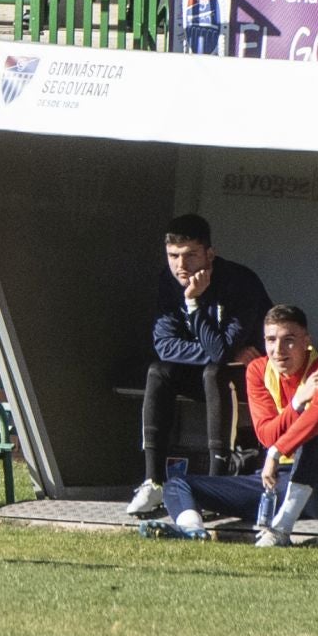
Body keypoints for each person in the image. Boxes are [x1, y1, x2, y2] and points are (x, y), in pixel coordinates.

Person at [146, 305, 318, 547]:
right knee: (178, 483)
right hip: (279, 478)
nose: (278, 350)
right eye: (271, 340)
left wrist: (276, 451)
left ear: (306, 341)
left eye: (289, 340)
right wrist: (295, 403)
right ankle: (192, 530)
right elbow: (266, 435)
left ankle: (280, 531)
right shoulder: (258, 370)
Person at [125, 214, 272, 517]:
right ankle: (153, 482)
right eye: (173, 256)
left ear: (210, 254)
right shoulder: (168, 283)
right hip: (212, 369)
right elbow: (165, 346)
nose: (181, 265)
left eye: (191, 255)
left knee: (214, 371)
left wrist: (194, 303)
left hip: (251, 378)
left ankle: (215, 485)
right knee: (159, 371)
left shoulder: (239, 282)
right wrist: (216, 352)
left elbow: (219, 350)